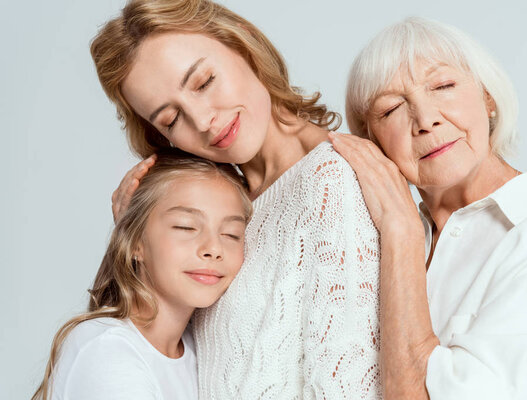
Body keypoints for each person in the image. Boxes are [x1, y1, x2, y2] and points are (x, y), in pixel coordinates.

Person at [92, 0, 381, 398]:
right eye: (171, 119)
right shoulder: (227, 210)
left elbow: (348, 385)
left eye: (203, 81)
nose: (202, 120)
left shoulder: (335, 180)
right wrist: (135, 242)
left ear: (242, 45)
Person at [330, 16, 527, 399]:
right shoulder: (364, 246)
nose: (425, 120)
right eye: (391, 109)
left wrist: (401, 228)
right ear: (372, 142)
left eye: (443, 86)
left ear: (487, 98)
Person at [32, 149, 252, 400]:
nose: (213, 249)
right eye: (186, 227)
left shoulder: (202, 352)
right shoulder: (107, 350)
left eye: (231, 234)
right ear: (136, 242)